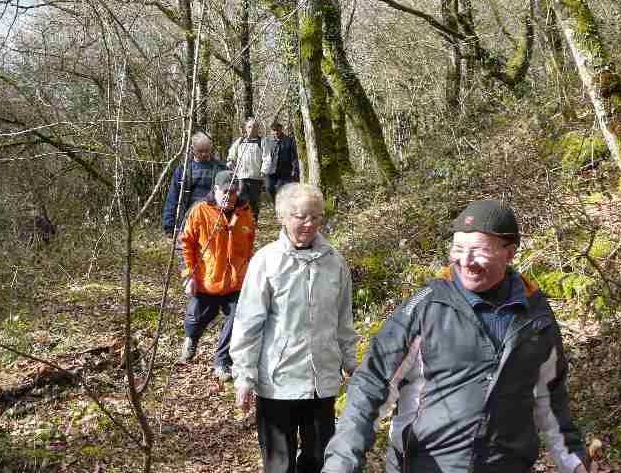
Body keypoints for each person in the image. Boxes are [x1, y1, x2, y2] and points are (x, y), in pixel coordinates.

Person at [322, 199, 595, 473]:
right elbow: (371, 383)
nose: (465, 261)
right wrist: (341, 461)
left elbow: (551, 398)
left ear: (509, 253)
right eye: (458, 248)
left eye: (479, 250)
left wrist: (574, 462)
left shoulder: (535, 314)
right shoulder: (426, 305)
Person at [231, 183, 357, 473]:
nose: (309, 224)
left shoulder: (334, 262)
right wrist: (244, 377)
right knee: (280, 465)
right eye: (301, 216)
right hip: (278, 382)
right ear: (283, 217)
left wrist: (350, 361)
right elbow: (249, 324)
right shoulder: (266, 261)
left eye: (316, 216)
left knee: (319, 460)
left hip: (321, 382)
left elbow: (343, 320)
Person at [179, 170, 255, 381]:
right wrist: (188, 276)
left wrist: (249, 272)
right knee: (195, 319)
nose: (230, 196)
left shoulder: (245, 212)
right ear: (215, 190)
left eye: (234, 192)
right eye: (225, 191)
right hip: (206, 280)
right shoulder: (199, 210)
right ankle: (191, 338)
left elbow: (249, 245)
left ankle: (222, 362)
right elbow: (184, 244)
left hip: (236, 282)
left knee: (238, 319)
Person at [162, 132, 224, 236]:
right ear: (192, 149)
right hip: (188, 219)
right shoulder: (183, 170)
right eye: (200, 151)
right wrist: (169, 224)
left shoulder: (220, 168)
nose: (204, 154)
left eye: (207, 150)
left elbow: (230, 195)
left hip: (213, 219)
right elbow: (172, 197)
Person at [226, 116, 265, 222]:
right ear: (246, 128)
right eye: (250, 127)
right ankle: (239, 220)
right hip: (241, 176)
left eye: (255, 127)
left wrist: (264, 171)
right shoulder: (240, 141)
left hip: (256, 177)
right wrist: (230, 161)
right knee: (240, 198)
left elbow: (267, 157)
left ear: (258, 128)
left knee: (254, 200)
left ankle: (253, 220)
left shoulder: (262, 142)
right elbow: (232, 153)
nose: (252, 129)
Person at [262, 122, 299, 202]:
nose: (276, 132)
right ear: (271, 131)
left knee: (280, 189)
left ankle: (282, 204)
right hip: (270, 170)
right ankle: (276, 204)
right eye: (274, 130)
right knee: (269, 188)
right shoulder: (267, 141)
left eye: (277, 130)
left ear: (281, 130)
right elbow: (263, 155)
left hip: (284, 171)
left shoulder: (289, 140)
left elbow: (294, 157)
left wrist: (294, 169)